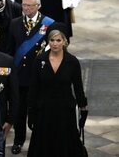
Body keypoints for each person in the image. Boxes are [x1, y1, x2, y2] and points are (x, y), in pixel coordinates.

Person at [27, 23, 88, 156]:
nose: (55, 44)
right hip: (44, 110)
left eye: (58, 40)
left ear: (65, 41)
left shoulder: (72, 62)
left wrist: (83, 108)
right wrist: (31, 112)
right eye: (52, 40)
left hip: (65, 110)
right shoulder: (39, 60)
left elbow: (78, 87)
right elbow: (33, 88)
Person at [7, 0, 54, 154]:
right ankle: (18, 140)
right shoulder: (14, 23)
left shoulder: (48, 25)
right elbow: (10, 51)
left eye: (29, 5)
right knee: (19, 111)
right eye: (23, 4)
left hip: (39, 77)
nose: (25, 8)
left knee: (38, 110)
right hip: (19, 77)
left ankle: (39, 142)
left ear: (38, 6)